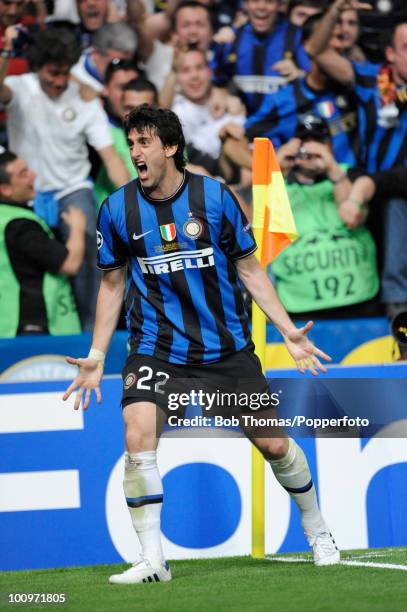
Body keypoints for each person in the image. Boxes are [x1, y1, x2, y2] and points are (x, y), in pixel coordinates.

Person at [63, 104, 339, 585]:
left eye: (144, 142)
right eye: (131, 144)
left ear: (170, 147)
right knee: (136, 434)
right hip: (156, 347)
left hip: (226, 349)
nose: (135, 152)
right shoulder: (116, 208)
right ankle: (153, 559)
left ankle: (317, 529)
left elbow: (250, 271)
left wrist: (288, 330)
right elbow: (112, 284)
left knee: (274, 443)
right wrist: (97, 355)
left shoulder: (215, 198)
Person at [0, 26, 130, 331]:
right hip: (26, 192)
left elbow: (110, 156)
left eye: (65, 73)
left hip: (72, 189)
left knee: (90, 247)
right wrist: (6, 51)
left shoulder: (85, 99)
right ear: (37, 67)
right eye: (52, 73)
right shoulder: (20, 87)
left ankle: (92, 331)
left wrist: (133, 199)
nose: (59, 81)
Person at [271, 115, 380, 319]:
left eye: (319, 142)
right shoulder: (278, 182)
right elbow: (254, 225)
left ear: (330, 145)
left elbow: (352, 217)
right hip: (299, 305)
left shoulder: (347, 174)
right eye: (305, 142)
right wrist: (274, 171)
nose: (312, 149)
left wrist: (331, 166)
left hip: (360, 300)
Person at [0, 150, 85, 337]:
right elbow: (69, 264)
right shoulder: (19, 225)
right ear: (5, 189)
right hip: (32, 327)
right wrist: (78, 227)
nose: (33, 175)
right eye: (23, 174)